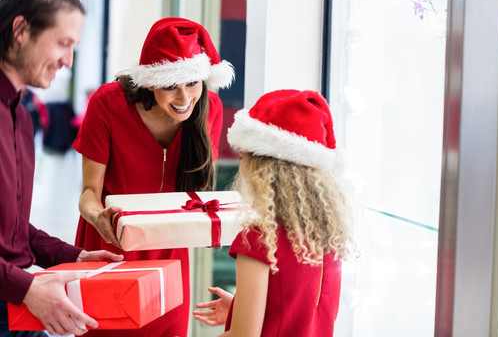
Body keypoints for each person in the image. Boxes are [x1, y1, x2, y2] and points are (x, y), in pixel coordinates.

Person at [73, 17, 234, 336]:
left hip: (169, 261)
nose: (184, 97)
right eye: (170, 85)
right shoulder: (107, 104)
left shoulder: (209, 110)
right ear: (150, 81)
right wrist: (98, 217)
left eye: (192, 83)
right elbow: (88, 193)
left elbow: (197, 195)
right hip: (108, 249)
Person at [0, 0, 124, 336]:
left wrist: (74, 256)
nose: (68, 61)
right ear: (21, 30)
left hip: (18, 310)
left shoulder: (21, 119)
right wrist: (27, 287)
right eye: (63, 43)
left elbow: (10, 231)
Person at [193, 89, 355, 336]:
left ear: (262, 168)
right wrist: (240, 307)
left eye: (243, 156)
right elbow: (296, 311)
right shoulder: (328, 235)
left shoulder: (260, 240)